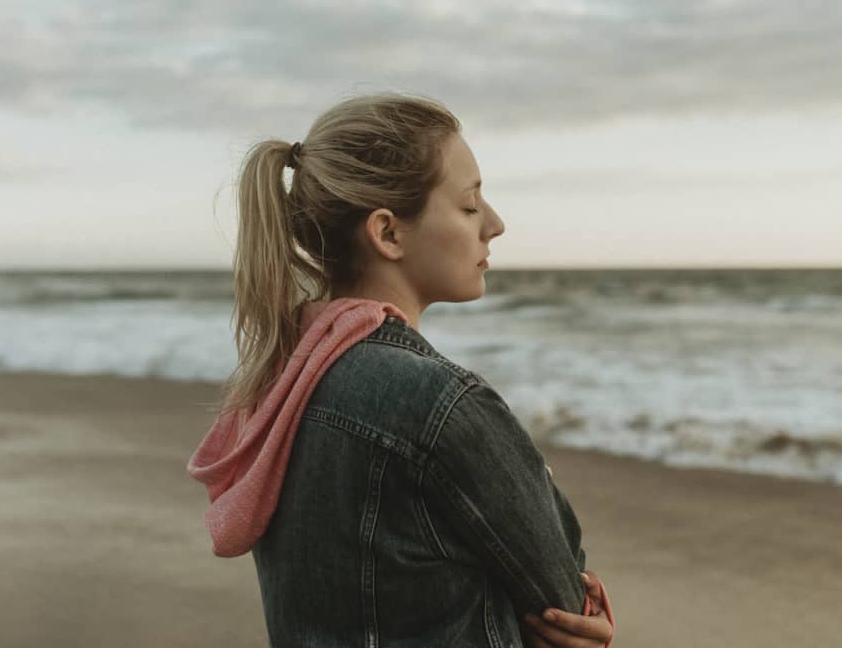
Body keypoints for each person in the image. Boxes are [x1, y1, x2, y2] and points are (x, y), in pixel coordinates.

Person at [187, 91, 615, 647]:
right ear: (388, 233)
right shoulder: (438, 403)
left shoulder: (285, 385)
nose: (495, 224)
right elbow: (565, 599)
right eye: (468, 206)